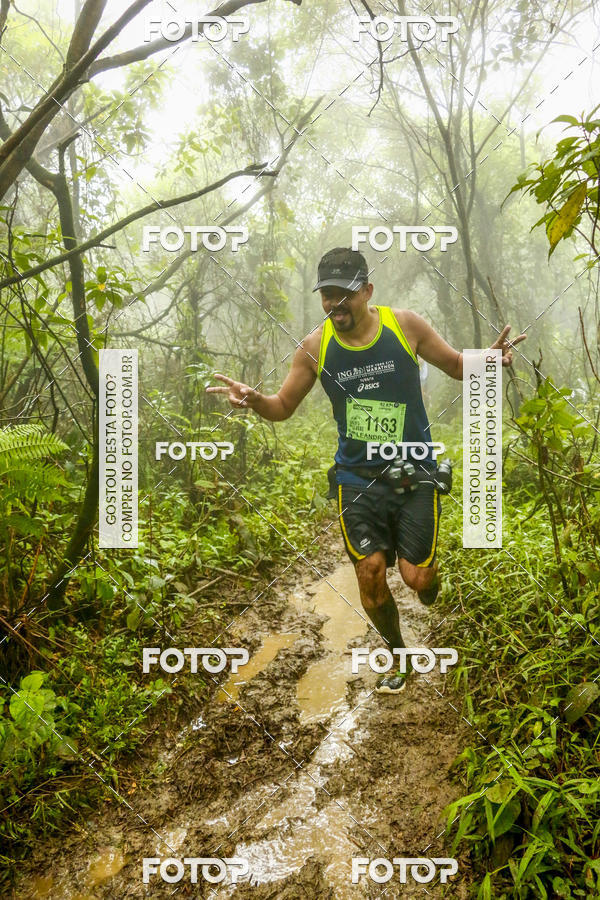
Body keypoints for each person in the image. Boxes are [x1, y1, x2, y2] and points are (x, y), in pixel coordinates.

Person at [206, 247, 525, 694]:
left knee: (419, 579)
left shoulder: (405, 325)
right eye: (327, 295)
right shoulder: (315, 347)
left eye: (345, 294)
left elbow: (454, 365)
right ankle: (398, 655)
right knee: (371, 574)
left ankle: (428, 580)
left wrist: (488, 360)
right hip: (356, 478)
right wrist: (256, 401)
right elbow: (282, 406)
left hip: (413, 470)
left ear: (367, 291)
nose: (335, 305)